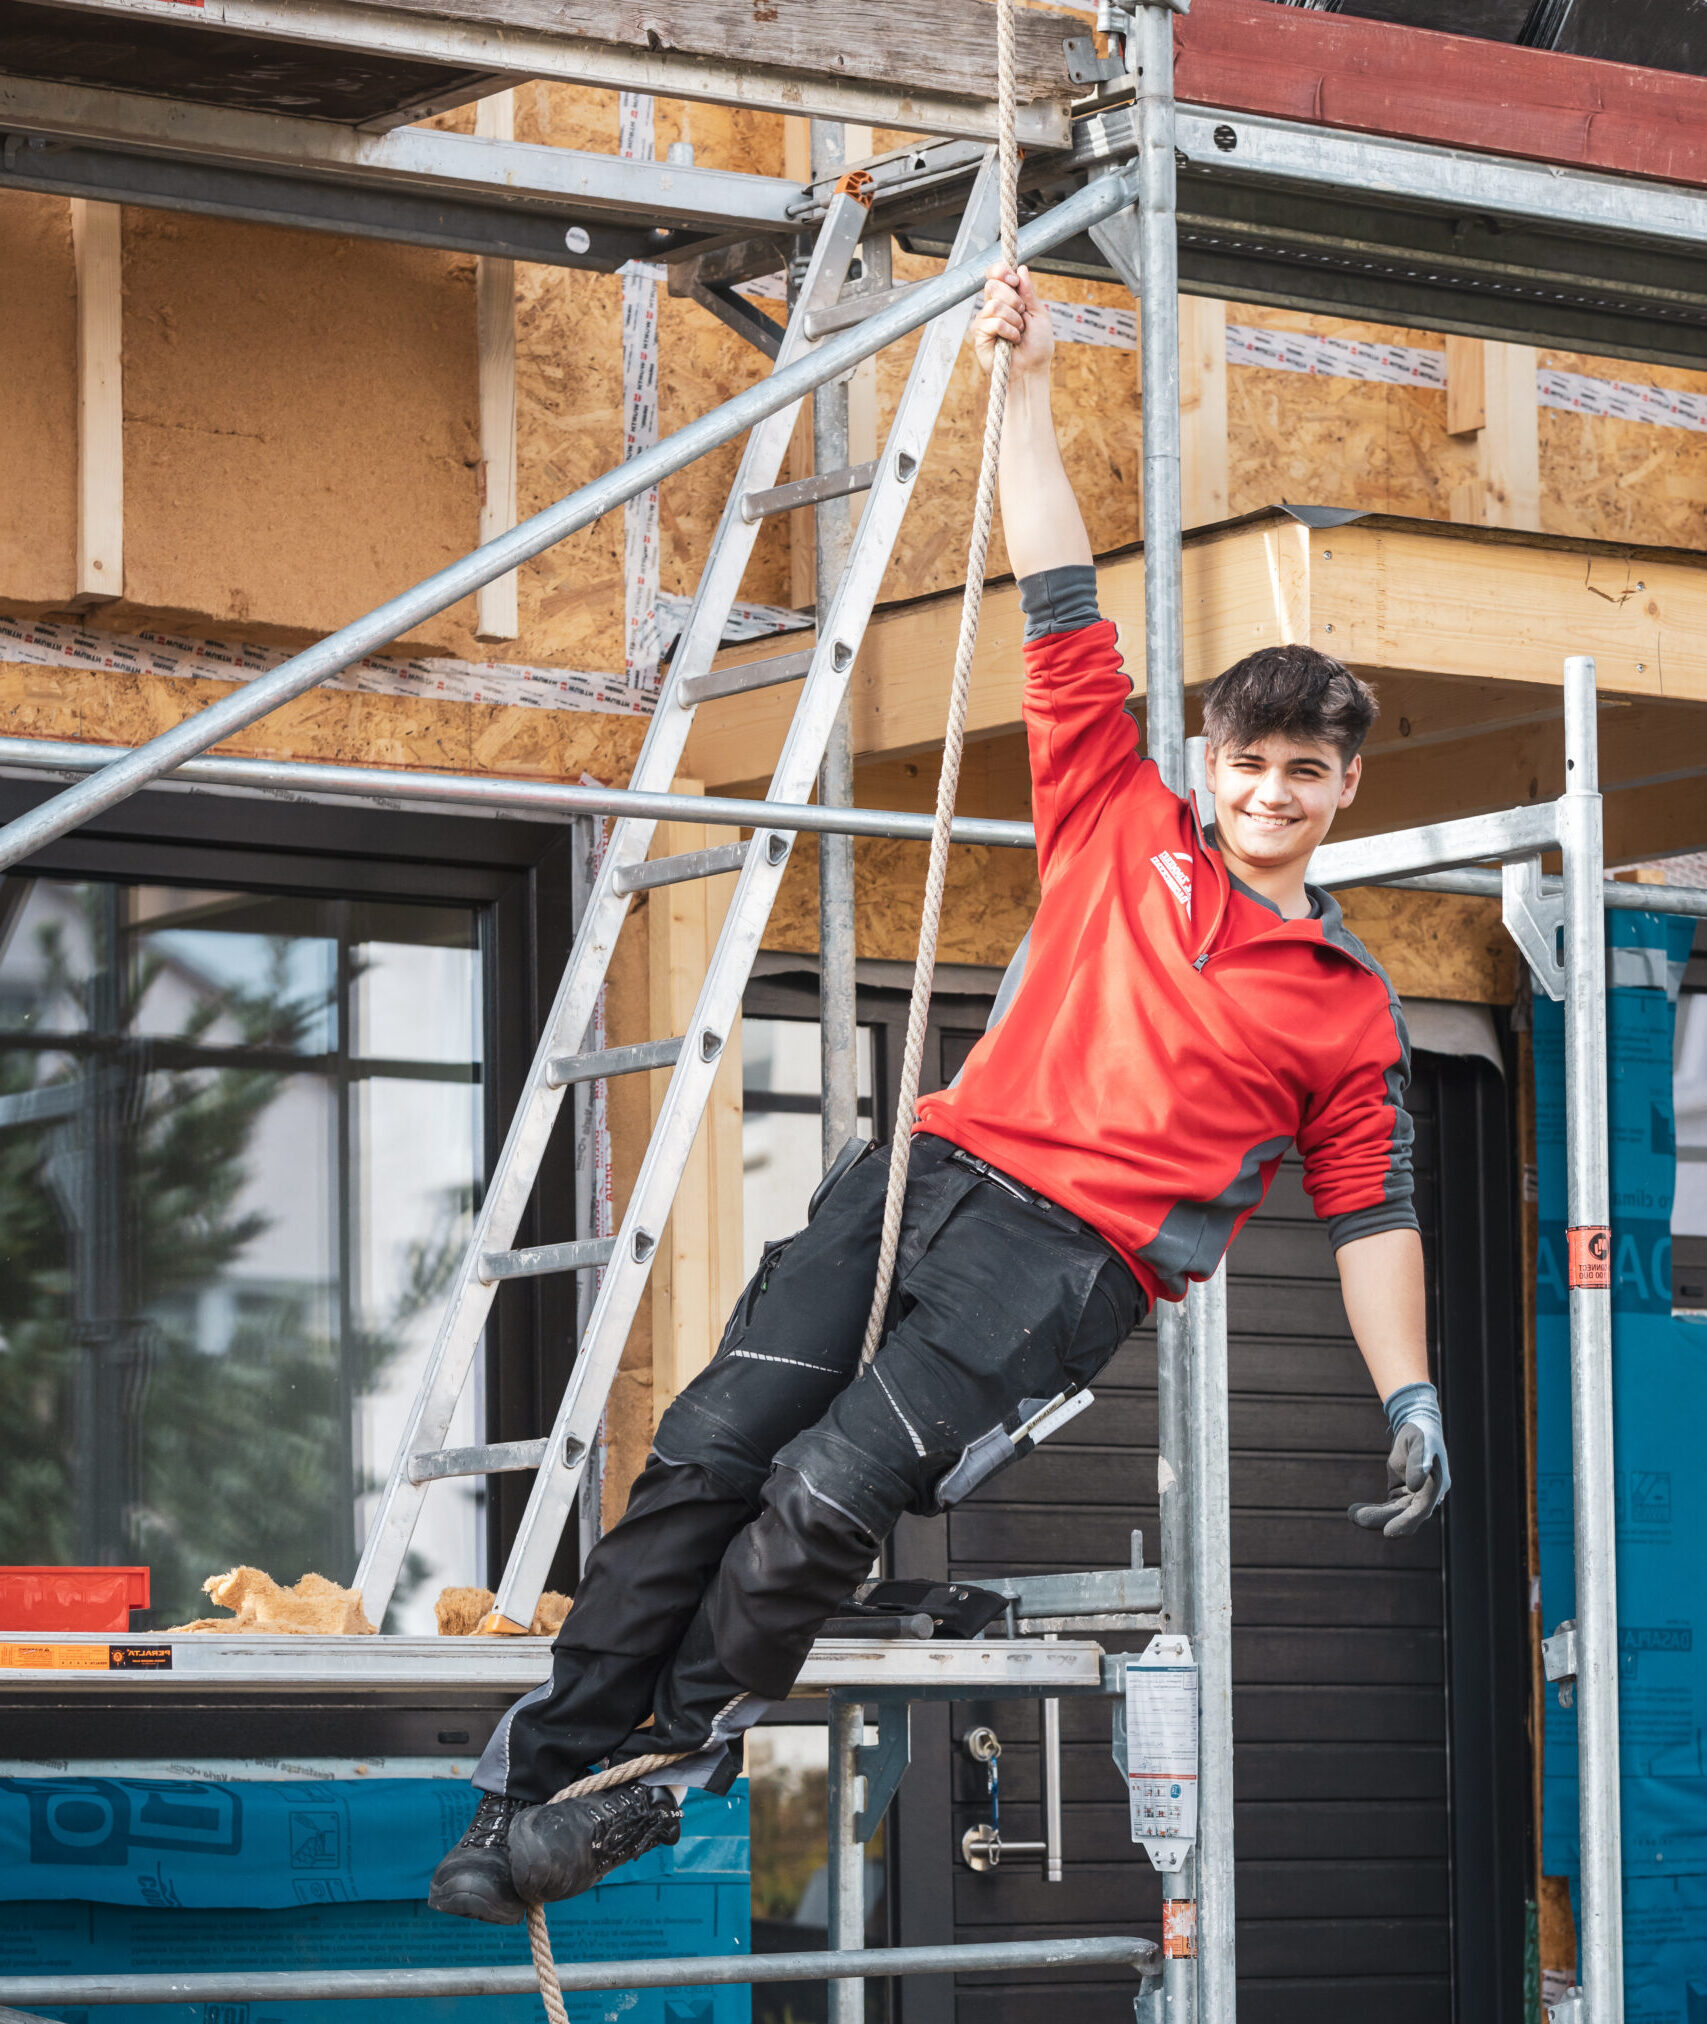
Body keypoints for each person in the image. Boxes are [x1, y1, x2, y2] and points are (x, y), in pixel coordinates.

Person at [429, 261, 1449, 1926]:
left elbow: (1374, 1216)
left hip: (1064, 1267)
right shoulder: (1118, 814)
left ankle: (659, 1773)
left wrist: (1411, 1397)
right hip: (925, 1171)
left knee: (827, 1493)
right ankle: (531, 1780)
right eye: (1249, 763)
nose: (1271, 793)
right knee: (707, 1452)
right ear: (1209, 760)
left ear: (1343, 791)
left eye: (1306, 774)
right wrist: (1027, 388)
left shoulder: (1348, 1009)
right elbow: (1060, 588)